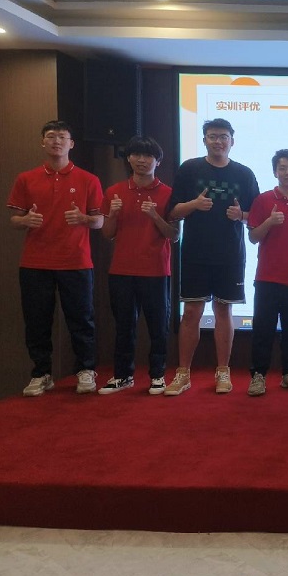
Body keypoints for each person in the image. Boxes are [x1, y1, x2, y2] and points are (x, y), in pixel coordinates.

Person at [165, 118, 259, 396]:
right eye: (212, 136)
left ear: (232, 140)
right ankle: (183, 373)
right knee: (191, 312)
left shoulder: (244, 173)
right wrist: (194, 204)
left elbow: (257, 216)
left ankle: (223, 371)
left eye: (223, 136)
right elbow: (172, 212)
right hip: (195, 253)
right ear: (204, 139)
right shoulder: (190, 169)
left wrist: (240, 215)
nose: (218, 141)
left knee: (223, 311)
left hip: (230, 255)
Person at [9, 120, 104, 396]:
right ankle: (41, 373)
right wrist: (25, 220)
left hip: (76, 261)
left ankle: (85, 370)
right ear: (43, 142)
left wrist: (83, 218)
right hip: (35, 262)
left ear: (71, 144)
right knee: (37, 321)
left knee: (81, 319)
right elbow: (14, 219)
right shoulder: (26, 178)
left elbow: (99, 221)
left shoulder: (88, 179)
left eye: (62, 137)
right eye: (51, 136)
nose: (56, 141)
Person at [99, 136, 180, 395]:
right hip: (121, 269)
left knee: (158, 326)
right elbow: (107, 233)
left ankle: (158, 375)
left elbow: (174, 235)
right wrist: (113, 214)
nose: (142, 160)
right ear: (129, 159)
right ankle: (123, 375)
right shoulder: (114, 191)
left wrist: (155, 215)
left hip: (155, 269)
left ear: (158, 161)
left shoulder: (168, 193)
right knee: (124, 326)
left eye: (148, 156)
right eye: (136, 155)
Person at [245, 150, 288, 397]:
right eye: (283, 168)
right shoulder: (264, 200)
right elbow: (253, 237)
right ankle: (259, 375)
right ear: (275, 172)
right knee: (262, 330)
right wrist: (270, 222)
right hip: (268, 277)